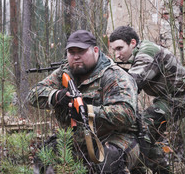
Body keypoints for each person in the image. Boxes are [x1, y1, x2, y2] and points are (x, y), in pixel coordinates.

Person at [28, 30, 141, 173]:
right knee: (42, 160)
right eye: (71, 52)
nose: (76, 57)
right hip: (76, 138)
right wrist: (56, 96)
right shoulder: (65, 72)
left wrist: (89, 112)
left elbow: (127, 114)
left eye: (81, 52)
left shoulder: (114, 76)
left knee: (108, 161)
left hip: (116, 138)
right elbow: (33, 94)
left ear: (95, 50)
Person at [109, 25, 185, 173]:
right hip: (168, 98)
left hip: (180, 99)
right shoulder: (140, 52)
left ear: (133, 43)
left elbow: (131, 84)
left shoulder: (147, 53)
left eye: (119, 48)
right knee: (146, 136)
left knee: (142, 131)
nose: (117, 55)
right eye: (114, 50)